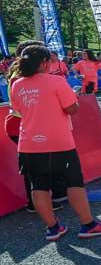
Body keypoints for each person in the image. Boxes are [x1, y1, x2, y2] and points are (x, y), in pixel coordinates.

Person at [10, 45, 101, 242]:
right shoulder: (56, 81)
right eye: (49, 60)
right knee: (73, 182)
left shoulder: (17, 84)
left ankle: (52, 228)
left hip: (29, 143)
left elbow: (18, 111)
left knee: (38, 186)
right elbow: (71, 109)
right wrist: (73, 98)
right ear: (43, 62)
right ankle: (88, 224)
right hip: (58, 141)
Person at [6, 40, 68, 213]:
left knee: (41, 162)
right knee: (34, 166)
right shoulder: (20, 78)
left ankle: (51, 195)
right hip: (21, 122)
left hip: (24, 121)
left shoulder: (23, 75)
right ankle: (35, 203)